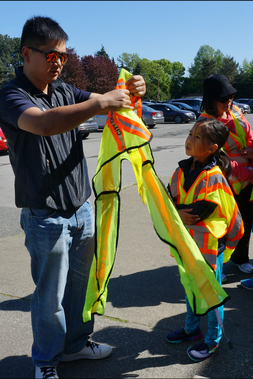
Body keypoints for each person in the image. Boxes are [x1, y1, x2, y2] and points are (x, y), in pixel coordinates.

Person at [0, 16, 146, 379]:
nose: (59, 63)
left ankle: (77, 344)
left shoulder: (64, 89)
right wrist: (101, 104)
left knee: (81, 288)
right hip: (44, 215)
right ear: (27, 53)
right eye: (51, 56)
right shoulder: (11, 95)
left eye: (63, 57)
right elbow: (45, 123)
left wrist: (132, 90)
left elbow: (105, 99)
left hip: (81, 207)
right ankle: (46, 361)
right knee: (49, 298)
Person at [166, 118, 243, 362]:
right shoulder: (181, 169)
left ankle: (213, 339)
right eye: (190, 133)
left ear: (212, 148)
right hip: (187, 243)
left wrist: (176, 211)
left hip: (209, 247)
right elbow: (169, 199)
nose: (189, 139)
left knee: (211, 292)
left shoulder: (214, 176)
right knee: (190, 286)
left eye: (197, 137)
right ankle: (191, 328)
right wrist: (176, 211)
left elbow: (198, 212)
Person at [199, 74, 253, 279]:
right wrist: (249, 173)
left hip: (246, 182)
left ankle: (240, 258)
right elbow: (218, 161)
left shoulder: (236, 111)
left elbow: (249, 136)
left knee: (244, 221)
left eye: (230, 96)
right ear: (211, 101)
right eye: (223, 99)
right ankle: (216, 266)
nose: (229, 102)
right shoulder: (205, 124)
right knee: (220, 225)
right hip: (222, 183)